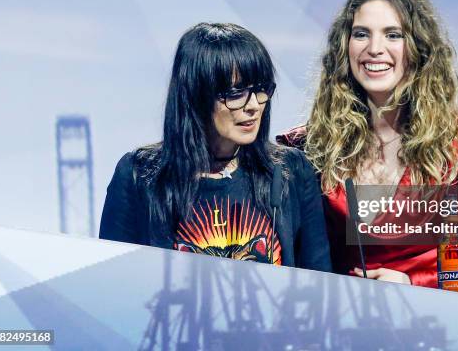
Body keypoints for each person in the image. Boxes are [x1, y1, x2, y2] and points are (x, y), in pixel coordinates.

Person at [277, 0, 458, 291]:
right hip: (342, 328)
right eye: (361, 34)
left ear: (419, 47)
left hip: (434, 327)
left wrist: (413, 284)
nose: (375, 49)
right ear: (345, 47)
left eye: (393, 35)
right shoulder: (309, 147)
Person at [100, 22, 331, 272]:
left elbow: (318, 286)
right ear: (195, 95)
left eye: (261, 90)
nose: (253, 105)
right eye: (235, 93)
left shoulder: (290, 171)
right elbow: (114, 285)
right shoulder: (139, 175)